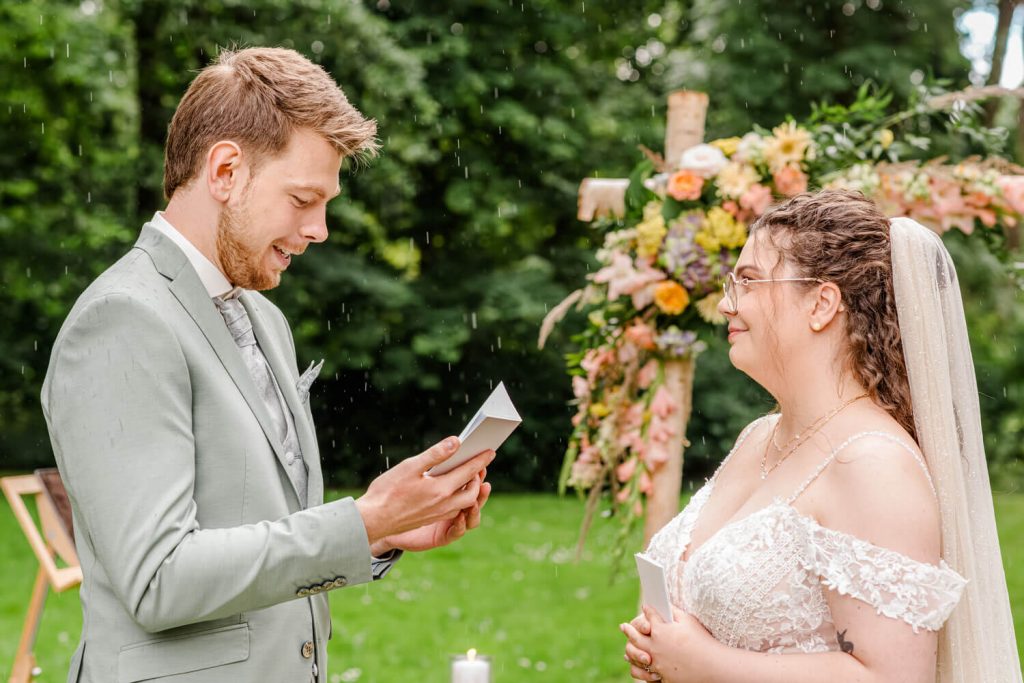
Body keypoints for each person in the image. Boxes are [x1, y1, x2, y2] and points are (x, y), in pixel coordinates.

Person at [41, 47, 494, 683]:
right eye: (303, 198)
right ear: (225, 170)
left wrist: (383, 531)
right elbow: (159, 580)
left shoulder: (263, 317)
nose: (320, 229)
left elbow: (261, 527)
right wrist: (361, 520)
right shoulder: (124, 318)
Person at [621, 189, 1022, 682]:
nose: (727, 305)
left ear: (821, 302)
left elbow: (891, 678)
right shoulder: (759, 436)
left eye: (748, 281)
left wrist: (701, 665)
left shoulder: (873, 464)